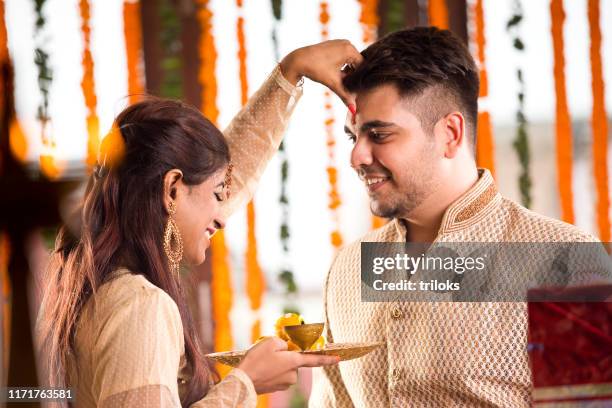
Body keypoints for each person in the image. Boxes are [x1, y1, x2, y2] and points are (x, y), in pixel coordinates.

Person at [35, 40, 362, 407]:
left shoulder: (88, 276)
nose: (223, 216)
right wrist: (245, 383)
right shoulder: (140, 305)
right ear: (172, 189)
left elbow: (223, 182)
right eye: (218, 194)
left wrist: (292, 72)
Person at [308, 27, 610, 407]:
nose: (357, 157)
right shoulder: (349, 267)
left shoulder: (567, 262)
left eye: (379, 135)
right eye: (354, 138)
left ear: (450, 133)